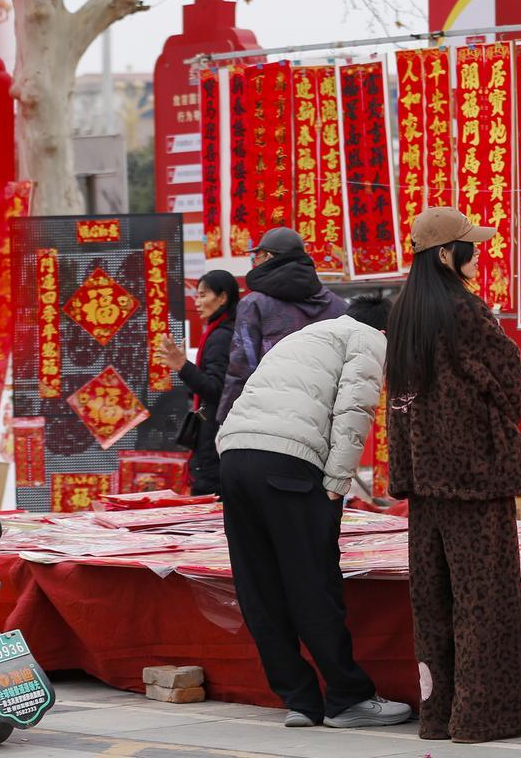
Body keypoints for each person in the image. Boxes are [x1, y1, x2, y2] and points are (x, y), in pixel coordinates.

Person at [217, 294, 410, 731]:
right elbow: (353, 412)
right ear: (386, 331)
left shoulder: (304, 335)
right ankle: (348, 698)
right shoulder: (368, 339)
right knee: (311, 582)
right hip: (288, 466)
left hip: (236, 459)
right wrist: (336, 485)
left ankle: (300, 700)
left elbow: (246, 393)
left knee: (259, 586)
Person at [384, 207, 521, 743]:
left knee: (433, 603)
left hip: (424, 482)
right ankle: (478, 719)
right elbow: (508, 380)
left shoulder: (402, 312)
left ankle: (436, 713)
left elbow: (398, 404)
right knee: (483, 599)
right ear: (447, 255)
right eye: (470, 246)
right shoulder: (466, 310)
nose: (479, 253)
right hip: (475, 477)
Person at [216, 226, 347, 425]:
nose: (255, 263)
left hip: (269, 421)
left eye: (257, 257)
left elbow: (242, 370)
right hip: (325, 420)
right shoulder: (340, 307)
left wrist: (226, 421)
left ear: (268, 257)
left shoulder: (253, 305)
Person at [156, 270, 240, 495]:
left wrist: (183, 366)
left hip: (214, 439)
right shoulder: (225, 331)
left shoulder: (221, 337)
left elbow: (216, 390)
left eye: (203, 295)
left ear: (222, 298)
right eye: (197, 296)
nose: (198, 302)